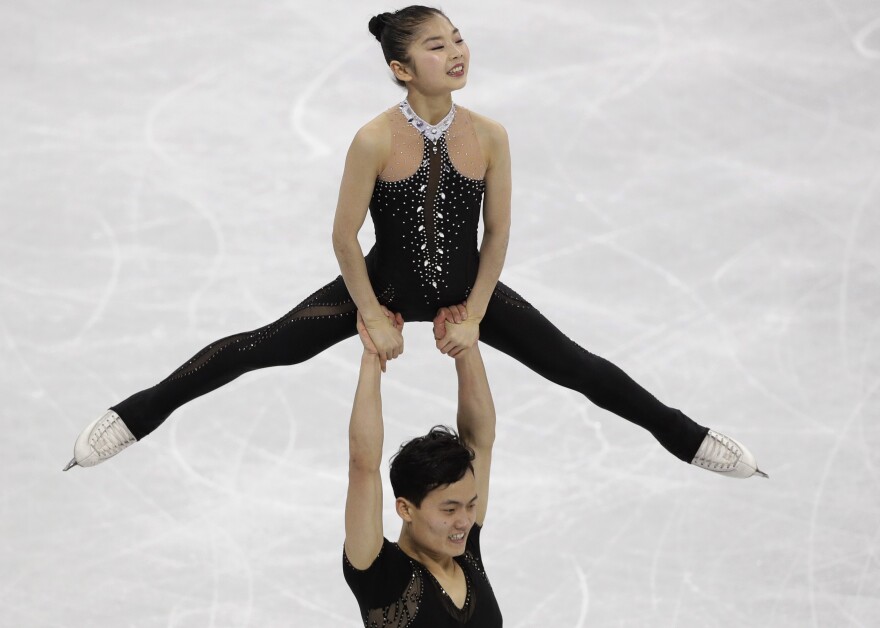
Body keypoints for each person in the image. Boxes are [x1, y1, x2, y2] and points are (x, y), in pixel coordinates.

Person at [64, 6, 766, 479]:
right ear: (403, 68)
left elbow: (498, 235)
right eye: (437, 46)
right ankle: (133, 415)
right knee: (259, 348)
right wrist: (369, 311)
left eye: (457, 37)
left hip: (467, 289)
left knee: (579, 367)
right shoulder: (374, 138)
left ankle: (691, 439)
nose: (456, 51)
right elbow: (343, 238)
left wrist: (479, 311)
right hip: (385, 286)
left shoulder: (490, 136)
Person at [343, 308, 502, 626]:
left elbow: (479, 438)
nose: (464, 521)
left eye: (470, 506)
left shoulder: (465, 551)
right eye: (449, 510)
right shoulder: (381, 575)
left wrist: (465, 344)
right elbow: (364, 465)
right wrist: (372, 356)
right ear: (405, 508)